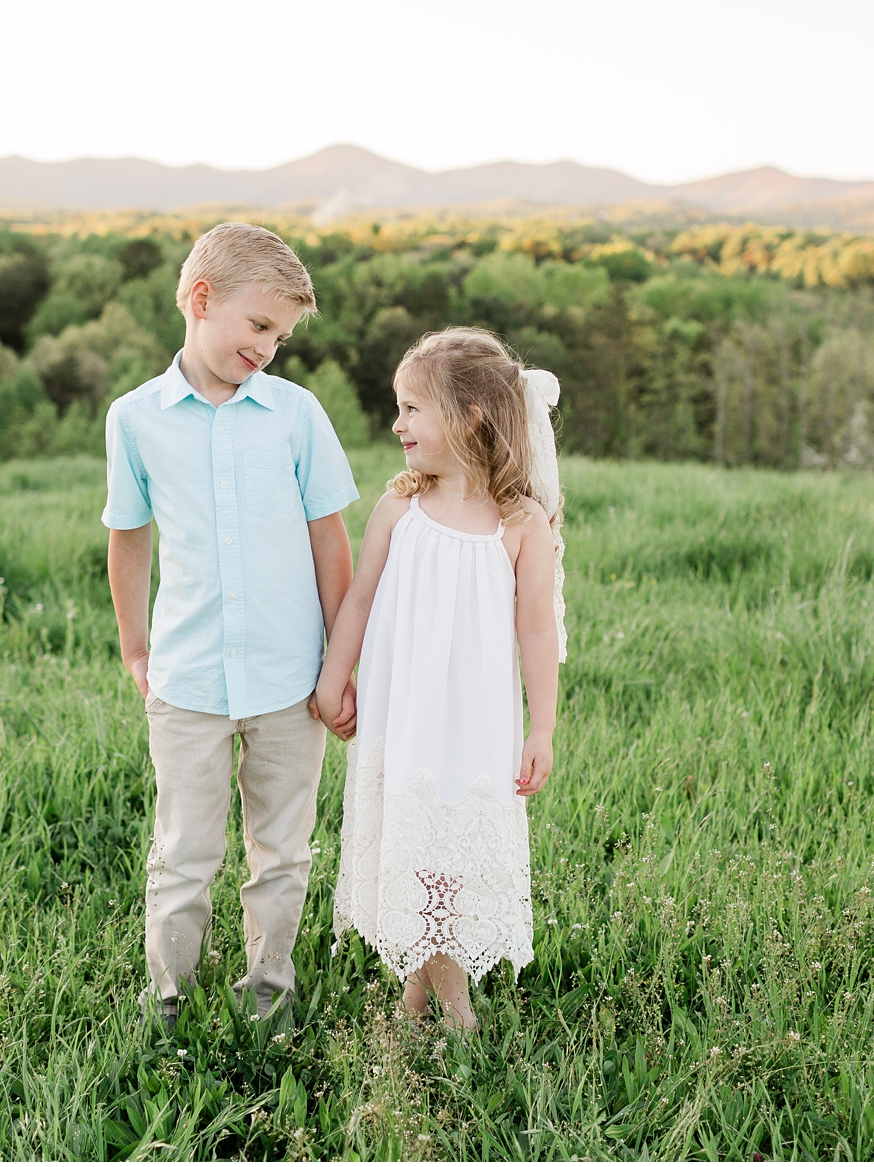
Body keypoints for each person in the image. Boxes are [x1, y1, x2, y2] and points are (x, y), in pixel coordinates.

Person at [103, 222, 361, 1028]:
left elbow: (331, 538)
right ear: (201, 299)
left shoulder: (296, 414)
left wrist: (339, 664)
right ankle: (167, 1001)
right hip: (189, 681)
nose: (270, 348)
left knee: (282, 850)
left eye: (281, 336)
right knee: (183, 853)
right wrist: (136, 647)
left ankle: (268, 997)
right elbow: (130, 537)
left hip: (290, 679)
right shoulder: (135, 418)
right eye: (260, 326)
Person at [313, 327, 565, 1034]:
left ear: (471, 414)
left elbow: (538, 631)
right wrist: (336, 676)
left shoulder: (521, 525)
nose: (397, 424)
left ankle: (439, 1003)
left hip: (475, 721)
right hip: (404, 713)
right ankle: (429, 999)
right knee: (417, 849)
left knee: (448, 854)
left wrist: (541, 726)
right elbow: (360, 596)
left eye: (412, 408)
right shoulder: (400, 507)